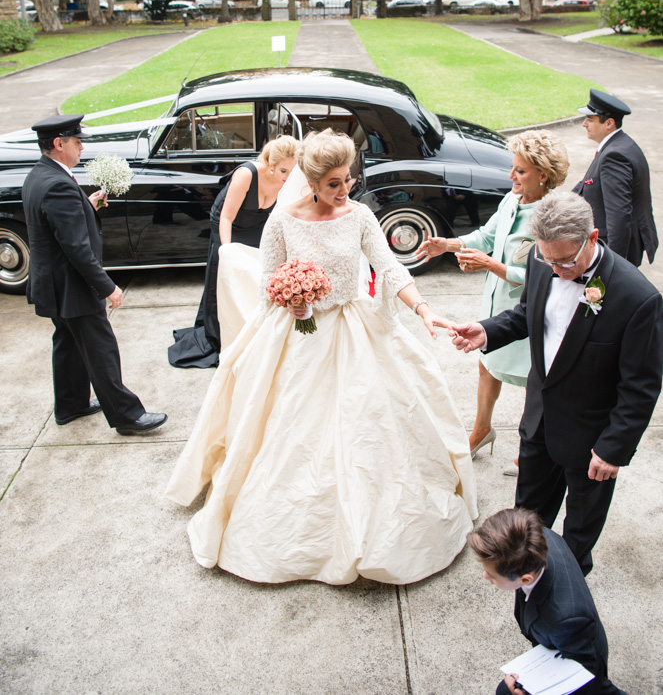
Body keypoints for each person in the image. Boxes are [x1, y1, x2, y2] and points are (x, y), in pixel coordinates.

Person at [166, 129, 477, 585]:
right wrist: (291, 301)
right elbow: (268, 281)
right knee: (291, 428)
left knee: (370, 423)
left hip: (354, 328)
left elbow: (388, 267)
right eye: (333, 183)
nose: (344, 190)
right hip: (297, 334)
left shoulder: (361, 216)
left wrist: (425, 310)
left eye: (347, 179)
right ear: (311, 182)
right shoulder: (283, 220)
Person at [449, 190, 662, 576]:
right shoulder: (540, 257)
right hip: (539, 422)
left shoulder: (637, 298)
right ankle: (527, 583)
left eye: (566, 261)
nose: (556, 269)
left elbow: (641, 385)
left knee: (578, 532)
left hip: (591, 441)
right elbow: (529, 312)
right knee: (527, 516)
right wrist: (487, 330)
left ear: (592, 238)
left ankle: (567, 589)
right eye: (549, 260)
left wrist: (613, 449)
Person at [418, 131, 569, 471]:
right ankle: (482, 430)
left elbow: (546, 276)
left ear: (543, 175)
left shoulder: (552, 217)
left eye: (521, 171)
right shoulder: (510, 200)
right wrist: (448, 244)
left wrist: (492, 266)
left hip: (528, 311)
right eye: (513, 169)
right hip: (494, 303)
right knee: (487, 366)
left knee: (534, 380)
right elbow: (486, 236)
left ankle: (530, 446)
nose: (511, 177)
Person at [22, 115, 167, 435]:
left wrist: (86, 205)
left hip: (51, 283)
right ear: (59, 144)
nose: (81, 146)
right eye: (76, 141)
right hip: (71, 286)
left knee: (67, 344)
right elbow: (75, 248)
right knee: (101, 349)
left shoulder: (38, 175)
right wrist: (107, 287)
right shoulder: (59, 184)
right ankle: (128, 417)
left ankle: (70, 405)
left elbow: (54, 226)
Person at [168, 136, 299, 368]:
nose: (288, 177)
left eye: (293, 170)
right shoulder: (247, 174)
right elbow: (226, 217)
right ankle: (216, 334)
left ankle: (247, 326)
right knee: (224, 275)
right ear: (270, 163)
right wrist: (226, 250)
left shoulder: (291, 179)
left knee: (254, 274)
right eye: (283, 170)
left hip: (257, 226)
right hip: (228, 223)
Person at [468, 508, 627, 695]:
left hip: (577, 655)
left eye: (493, 576)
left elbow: (584, 671)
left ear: (525, 579)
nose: (485, 576)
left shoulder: (565, 619)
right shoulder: (541, 538)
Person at [572, 88, 657, 266]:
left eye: (590, 119)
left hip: (613, 248)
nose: (584, 124)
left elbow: (618, 215)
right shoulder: (618, 145)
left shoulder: (614, 156)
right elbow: (587, 183)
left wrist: (614, 265)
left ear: (609, 123)